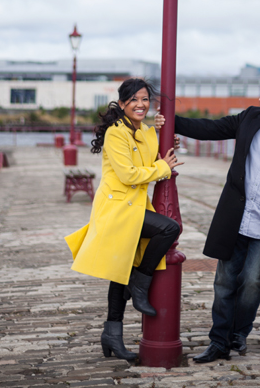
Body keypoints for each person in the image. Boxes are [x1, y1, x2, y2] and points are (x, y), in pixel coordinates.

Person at [157, 73, 260, 363]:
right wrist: (170, 120)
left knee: (252, 282)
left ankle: (239, 332)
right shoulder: (250, 118)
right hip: (236, 218)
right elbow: (210, 128)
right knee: (224, 281)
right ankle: (219, 341)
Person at [65, 77, 183, 362]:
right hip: (117, 208)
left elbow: (152, 158)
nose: (141, 105)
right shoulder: (116, 133)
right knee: (169, 229)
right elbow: (130, 175)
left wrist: (166, 140)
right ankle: (140, 281)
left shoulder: (143, 130)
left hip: (134, 206)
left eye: (145, 99)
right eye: (135, 100)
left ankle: (111, 335)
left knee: (121, 268)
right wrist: (163, 168)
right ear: (122, 103)